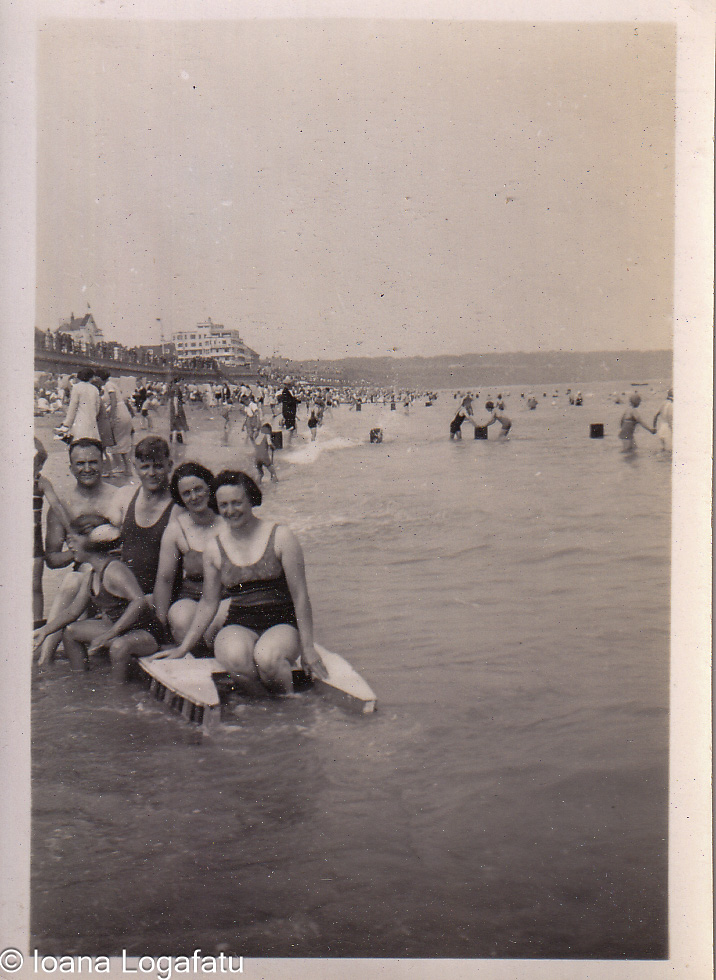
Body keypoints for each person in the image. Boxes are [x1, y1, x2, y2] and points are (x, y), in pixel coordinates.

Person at [150, 470, 327, 695]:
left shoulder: (281, 536)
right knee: (236, 660)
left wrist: (309, 649)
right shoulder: (215, 547)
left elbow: (301, 596)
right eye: (224, 505)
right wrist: (183, 647)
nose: (231, 511)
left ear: (251, 500)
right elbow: (208, 603)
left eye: (237, 503)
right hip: (238, 623)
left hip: (281, 624)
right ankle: (267, 711)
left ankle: (288, 704)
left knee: (268, 659)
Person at [33, 515, 162, 678]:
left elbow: (139, 601)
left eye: (73, 540)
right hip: (121, 630)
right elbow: (73, 612)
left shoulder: (114, 569)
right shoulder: (92, 575)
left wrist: (110, 634)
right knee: (71, 632)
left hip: (146, 634)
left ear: (92, 540)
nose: (70, 546)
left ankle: (115, 695)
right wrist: (44, 631)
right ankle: (81, 681)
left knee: (118, 646)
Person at [38, 438, 125, 665]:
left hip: (117, 576)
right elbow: (53, 559)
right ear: (71, 468)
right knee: (73, 580)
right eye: (80, 463)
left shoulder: (119, 497)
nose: (87, 468)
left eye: (93, 462)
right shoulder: (63, 504)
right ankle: (45, 658)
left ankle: (45, 657)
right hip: (83, 581)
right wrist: (83, 550)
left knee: (78, 580)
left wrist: (97, 548)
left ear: (104, 463)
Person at [153, 462, 225, 649]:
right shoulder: (176, 530)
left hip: (227, 597)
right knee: (181, 620)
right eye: (187, 493)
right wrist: (160, 625)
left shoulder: (228, 521)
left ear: (209, 487)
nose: (194, 497)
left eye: (198, 489)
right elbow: (165, 579)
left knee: (213, 628)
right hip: (192, 597)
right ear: (180, 497)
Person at [119, 436, 175, 598]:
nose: (151, 473)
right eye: (145, 467)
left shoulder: (178, 505)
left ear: (169, 465)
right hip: (128, 589)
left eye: (158, 466)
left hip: (162, 591)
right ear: (135, 467)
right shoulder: (125, 496)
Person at [94, 369, 134, 477]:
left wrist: (111, 418)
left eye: (96, 377)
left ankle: (116, 468)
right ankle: (126, 469)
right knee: (123, 442)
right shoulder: (111, 385)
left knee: (115, 442)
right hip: (124, 413)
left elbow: (113, 401)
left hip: (118, 414)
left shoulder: (108, 385)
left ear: (99, 377)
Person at [60, 368, 101, 442]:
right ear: (91, 378)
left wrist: (66, 424)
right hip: (92, 424)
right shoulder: (95, 389)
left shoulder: (76, 388)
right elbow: (97, 408)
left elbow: (72, 409)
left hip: (79, 423)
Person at [168, 378, 189, 446]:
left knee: (174, 426)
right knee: (181, 424)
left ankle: (174, 441)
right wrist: (176, 410)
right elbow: (175, 399)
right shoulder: (177, 388)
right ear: (180, 381)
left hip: (172, 407)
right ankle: (184, 441)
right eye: (182, 381)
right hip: (177, 407)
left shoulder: (172, 387)